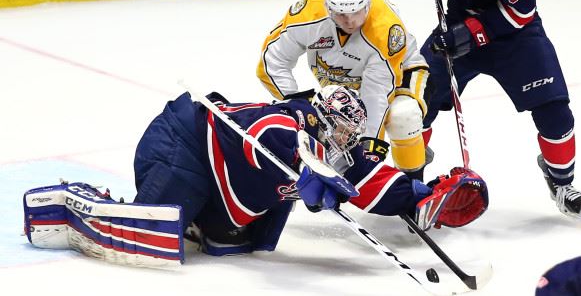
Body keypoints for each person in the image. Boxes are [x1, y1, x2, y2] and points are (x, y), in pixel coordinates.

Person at [23, 86, 488, 265]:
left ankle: (197, 221)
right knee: (149, 235)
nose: (348, 140)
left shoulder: (339, 147)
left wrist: (421, 196)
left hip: (226, 188)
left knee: (239, 243)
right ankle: (78, 202)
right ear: (322, 117)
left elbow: (371, 182)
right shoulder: (289, 120)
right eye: (341, 130)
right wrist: (309, 169)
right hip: (182, 144)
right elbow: (264, 138)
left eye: (351, 133)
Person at [400, 0, 580, 218]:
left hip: (513, 37)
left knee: (555, 112)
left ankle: (562, 184)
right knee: (413, 103)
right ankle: (411, 182)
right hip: (456, 25)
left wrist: (471, 33)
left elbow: (522, 12)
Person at [257, 0, 433, 179]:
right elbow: (272, 62)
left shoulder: (384, 29)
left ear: (367, 4)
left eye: (357, 11)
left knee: (402, 116)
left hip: (401, 73)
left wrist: (371, 145)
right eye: (341, 14)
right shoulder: (307, 16)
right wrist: (300, 105)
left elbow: (376, 94)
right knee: (326, 123)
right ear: (328, 7)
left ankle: (414, 182)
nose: (350, 21)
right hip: (346, 86)